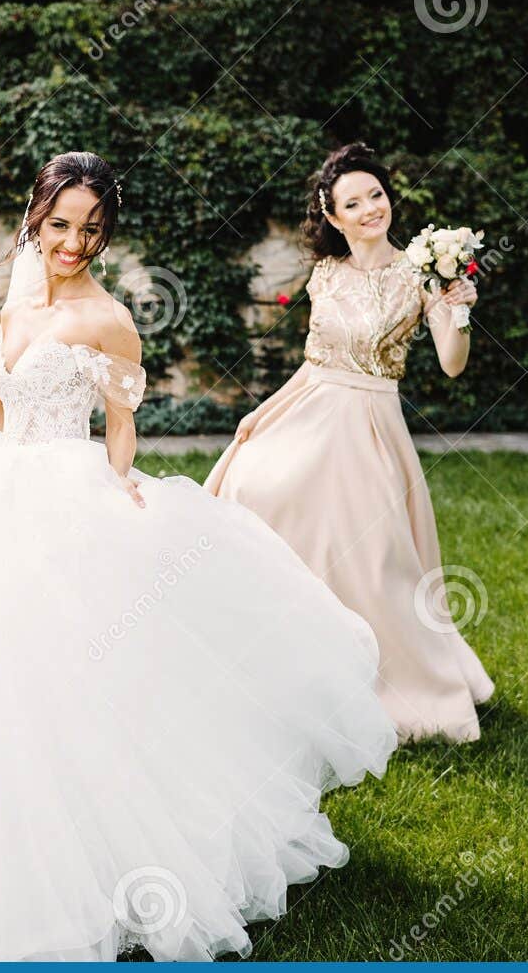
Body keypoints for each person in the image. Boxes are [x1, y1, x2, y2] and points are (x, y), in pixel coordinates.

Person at [0, 151, 397, 961]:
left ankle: (106, 857)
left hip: (71, 493)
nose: (72, 242)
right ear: (36, 216)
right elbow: (2, 410)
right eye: (60, 224)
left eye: (90, 229)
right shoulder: (17, 310)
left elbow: (121, 423)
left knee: (80, 680)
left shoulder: (110, 318)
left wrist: (122, 485)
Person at [205, 142, 493, 742]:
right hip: (312, 409)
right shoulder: (326, 274)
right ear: (332, 217)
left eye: (377, 196)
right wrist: (263, 410)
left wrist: (458, 309)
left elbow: (452, 365)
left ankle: (402, 681)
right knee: (256, 487)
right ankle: (286, 668)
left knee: (373, 560)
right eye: (353, 203)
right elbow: (314, 363)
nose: (370, 209)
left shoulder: (421, 275)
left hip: (370, 427)